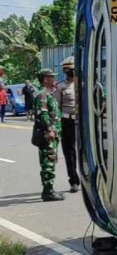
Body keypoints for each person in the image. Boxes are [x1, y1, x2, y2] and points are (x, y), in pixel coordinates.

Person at [34, 68, 65, 201]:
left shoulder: (49, 94)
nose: (54, 78)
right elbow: (43, 114)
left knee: (51, 160)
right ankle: (47, 192)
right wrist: (49, 130)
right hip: (48, 136)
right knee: (48, 161)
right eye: (51, 76)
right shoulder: (42, 95)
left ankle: (49, 189)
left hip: (53, 134)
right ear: (45, 79)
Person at [54, 57, 80, 193]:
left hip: (83, 121)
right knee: (69, 152)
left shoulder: (83, 84)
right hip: (67, 121)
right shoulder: (60, 87)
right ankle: (74, 180)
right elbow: (56, 107)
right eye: (68, 69)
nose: (71, 72)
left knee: (85, 151)